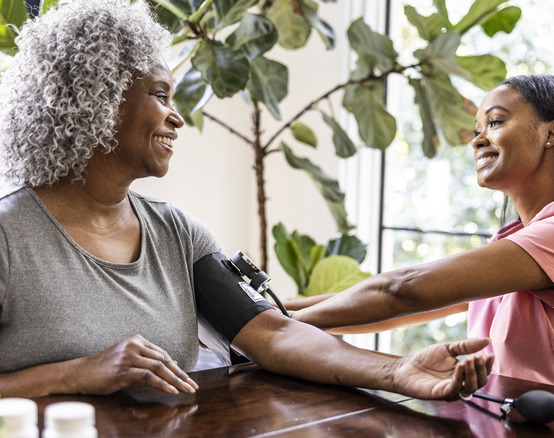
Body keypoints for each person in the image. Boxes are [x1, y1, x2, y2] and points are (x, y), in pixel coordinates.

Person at [0, 0, 494, 399]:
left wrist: (396, 369)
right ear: (97, 98)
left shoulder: (177, 234)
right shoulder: (8, 236)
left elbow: (272, 333)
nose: (177, 118)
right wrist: (75, 373)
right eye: (159, 95)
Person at [290, 74, 554, 415]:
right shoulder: (515, 243)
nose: (477, 140)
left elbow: (404, 289)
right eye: (477, 130)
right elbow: (397, 310)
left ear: (553, 132)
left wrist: (265, 323)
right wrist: (276, 312)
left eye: (494, 122)